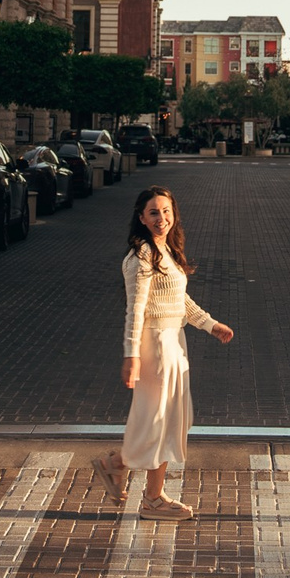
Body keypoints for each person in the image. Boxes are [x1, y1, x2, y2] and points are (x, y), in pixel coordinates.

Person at [94, 185, 232, 520]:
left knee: (172, 422)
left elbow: (179, 301)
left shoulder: (165, 251)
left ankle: (151, 495)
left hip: (174, 342)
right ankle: (118, 468)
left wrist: (210, 324)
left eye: (166, 211)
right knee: (156, 423)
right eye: (154, 212)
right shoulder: (139, 257)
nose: (161, 218)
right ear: (141, 217)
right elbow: (135, 310)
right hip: (154, 345)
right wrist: (131, 356)